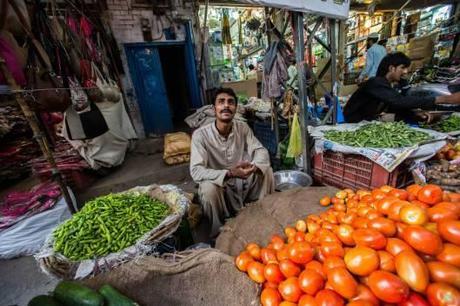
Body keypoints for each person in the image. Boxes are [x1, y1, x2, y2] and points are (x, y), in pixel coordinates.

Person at [190, 88, 275, 238]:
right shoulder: (200, 136)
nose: (226, 106)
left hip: (242, 183)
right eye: (221, 102)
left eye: (231, 102)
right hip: (219, 188)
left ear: (236, 108)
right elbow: (196, 171)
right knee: (208, 188)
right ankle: (219, 234)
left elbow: (260, 150)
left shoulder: (242, 127)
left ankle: (261, 214)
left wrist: (254, 167)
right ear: (213, 108)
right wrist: (228, 173)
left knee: (266, 170)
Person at [344, 52, 460, 123]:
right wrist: (442, 99)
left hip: (369, 119)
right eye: (402, 68)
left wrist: (414, 114)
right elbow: (399, 101)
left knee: (402, 119)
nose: (405, 72)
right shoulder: (375, 82)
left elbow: (394, 106)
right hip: (355, 121)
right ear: (391, 68)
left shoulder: (392, 85)